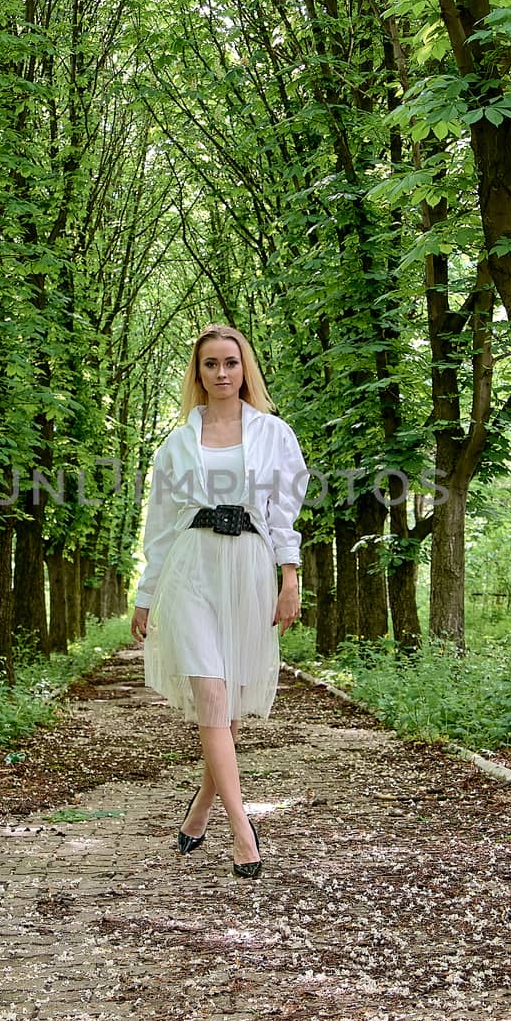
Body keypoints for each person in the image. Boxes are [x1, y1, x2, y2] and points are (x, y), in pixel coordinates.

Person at [130, 324, 308, 879]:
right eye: (211, 364)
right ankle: (242, 830)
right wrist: (145, 595)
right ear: (198, 372)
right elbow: (160, 526)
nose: (222, 373)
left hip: (249, 570)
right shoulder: (177, 442)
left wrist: (290, 576)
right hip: (191, 570)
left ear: (244, 368)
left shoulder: (275, 434)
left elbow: (283, 514)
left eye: (231, 362)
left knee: (226, 712)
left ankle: (201, 808)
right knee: (210, 692)